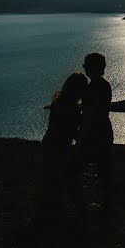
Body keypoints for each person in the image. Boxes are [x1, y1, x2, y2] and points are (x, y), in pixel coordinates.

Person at [35, 72, 88, 226]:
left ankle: (49, 216)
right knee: (65, 181)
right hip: (58, 148)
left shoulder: (59, 103)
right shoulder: (71, 108)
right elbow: (72, 131)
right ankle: (70, 216)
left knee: (52, 182)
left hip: (50, 145)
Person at [80, 52, 114, 215]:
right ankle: (106, 205)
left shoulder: (91, 89)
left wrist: (81, 137)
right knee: (104, 169)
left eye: (85, 65)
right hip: (105, 130)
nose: (84, 68)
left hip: (94, 133)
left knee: (77, 169)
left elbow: (88, 115)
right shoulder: (105, 85)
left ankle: (85, 207)